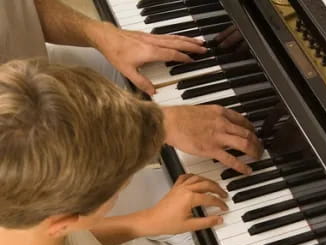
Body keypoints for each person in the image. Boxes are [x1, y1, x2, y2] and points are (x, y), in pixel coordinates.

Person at [0, 58, 249, 245]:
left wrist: (146, 222)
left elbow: (77, 239)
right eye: (122, 186)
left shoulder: (27, 216)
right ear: (65, 220)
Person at [0, 0, 262, 175]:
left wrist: (100, 33)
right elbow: (16, 143)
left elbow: (17, 9)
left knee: (144, 72)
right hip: (26, 169)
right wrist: (156, 124)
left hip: (28, 76)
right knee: (184, 228)